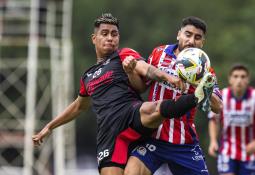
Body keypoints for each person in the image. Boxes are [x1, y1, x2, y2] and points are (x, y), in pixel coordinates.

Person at [32, 13, 214, 175]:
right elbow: (79, 106)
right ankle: (196, 97)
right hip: (109, 133)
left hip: (131, 113)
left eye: (114, 34)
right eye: (105, 34)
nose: (110, 38)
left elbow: (147, 70)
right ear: (94, 38)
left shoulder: (124, 55)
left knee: (155, 108)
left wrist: (167, 78)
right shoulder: (87, 76)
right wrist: (50, 126)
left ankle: (197, 96)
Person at [123, 16, 223, 175]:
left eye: (197, 37)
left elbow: (218, 107)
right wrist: (130, 73)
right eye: (188, 34)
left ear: (202, 42)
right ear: (179, 34)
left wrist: (202, 85)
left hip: (184, 143)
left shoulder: (206, 69)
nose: (191, 41)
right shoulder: (159, 53)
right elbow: (141, 88)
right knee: (131, 172)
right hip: (153, 137)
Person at [208, 64, 255, 175]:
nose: (239, 80)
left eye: (243, 77)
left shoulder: (254, 97)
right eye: (235, 76)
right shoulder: (222, 96)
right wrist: (213, 140)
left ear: (248, 80)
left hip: (250, 153)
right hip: (227, 151)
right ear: (230, 79)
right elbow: (213, 120)